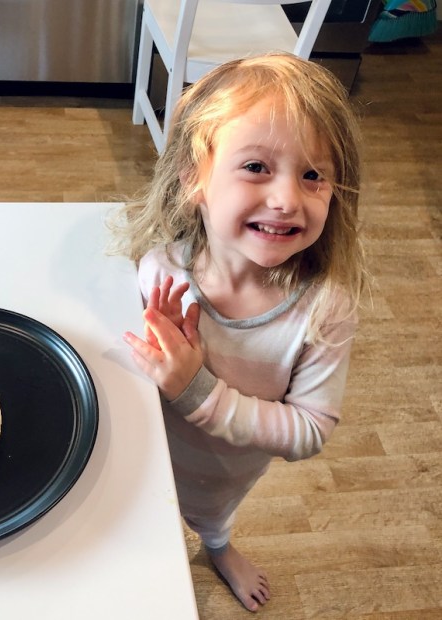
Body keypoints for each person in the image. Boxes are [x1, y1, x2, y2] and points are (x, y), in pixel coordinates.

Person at [110, 53, 369, 612]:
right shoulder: (159, 268)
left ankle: (219, 548)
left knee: (210, 515)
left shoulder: (324, 310)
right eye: (256, 167)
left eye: (312, 175)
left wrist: (195, 390)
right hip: (139, 453)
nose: (286, 198)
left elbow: (310, 430)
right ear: (193, 179)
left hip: (225, 468)